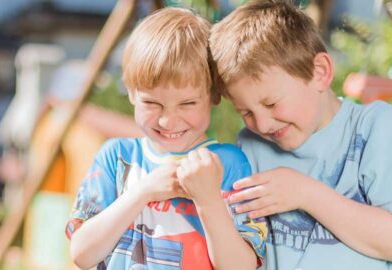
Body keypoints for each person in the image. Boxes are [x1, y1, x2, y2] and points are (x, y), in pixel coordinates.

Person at [208, 1, 392, 269]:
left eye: (271, 104)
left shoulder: (376, 127)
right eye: (245, 112)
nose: (263, 123)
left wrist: (305, 193)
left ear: (320, 72)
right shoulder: (252, 145)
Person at [66, 7, 267, 270]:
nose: (168, 121)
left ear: (214, 95)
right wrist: (144, 191)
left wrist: (208, 199)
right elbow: (82, 253)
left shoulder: (228, 163)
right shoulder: (116, 157)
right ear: (131, 92)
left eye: (187, 103)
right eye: (152, 103)